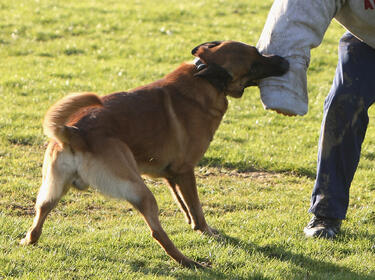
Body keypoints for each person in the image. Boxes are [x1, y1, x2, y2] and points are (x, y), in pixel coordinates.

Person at [256, 0, 375, 238]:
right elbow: (301, 8)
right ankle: (326, 213)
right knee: (343, 104)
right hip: (369, 40)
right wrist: (283, 85)